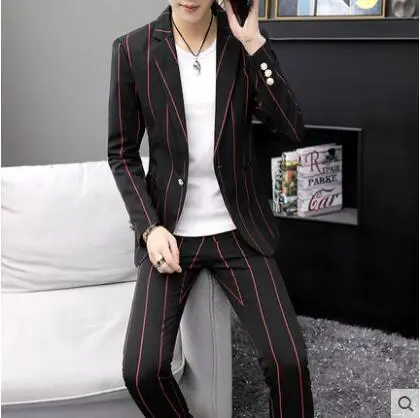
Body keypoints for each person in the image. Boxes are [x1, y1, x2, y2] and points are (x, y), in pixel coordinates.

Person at [107, 0, 315, 416]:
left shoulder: (243, 42)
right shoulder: (133, 49)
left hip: (239, 231)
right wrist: (149, 228)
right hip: (171, 233)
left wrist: (253, 44)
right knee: (142, 371)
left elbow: (291, 128)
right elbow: (122, 153)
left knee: (289, 362)